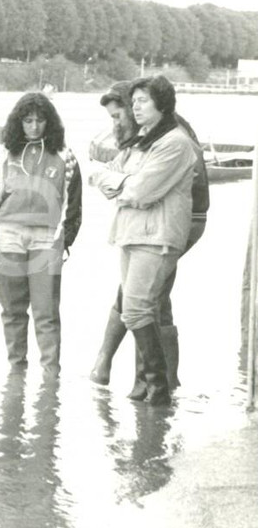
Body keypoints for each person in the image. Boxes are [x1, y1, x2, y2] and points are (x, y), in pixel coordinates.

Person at [88, 81, 209, 389]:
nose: (114, 125)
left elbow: (141, 191)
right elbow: (108, 175)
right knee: (144, 300)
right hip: (143, 225)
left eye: (118, 117)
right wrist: (122, 181)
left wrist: (121, 182)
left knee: (143, 301)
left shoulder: (172, 138)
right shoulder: (144, 136)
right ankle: (154, 380)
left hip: (173, 225)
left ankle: (152, 382)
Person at [0, 92, 82, 377]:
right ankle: (17, 372)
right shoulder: (2, 154)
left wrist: (66, 238)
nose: (34, 126)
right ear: (18, 122)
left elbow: (74, 202)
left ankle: (50, 375)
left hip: (47, 237)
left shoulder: (65, 155)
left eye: (40, 120)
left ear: (50, 122)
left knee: (46, 311)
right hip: (7, 234)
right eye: (28, 120)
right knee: (12, 309)